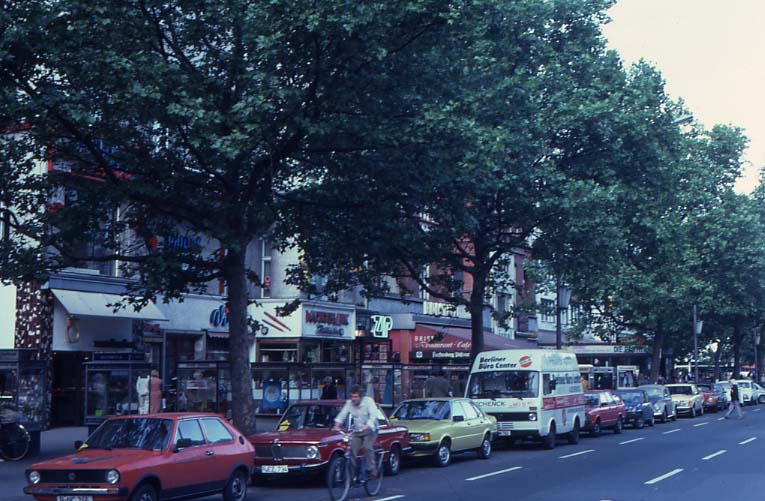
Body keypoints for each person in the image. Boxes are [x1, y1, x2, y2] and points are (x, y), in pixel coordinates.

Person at [332, 385, 379, 479]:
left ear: (361, 397)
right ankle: (351, 476)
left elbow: (373, 415)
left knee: (366, 447)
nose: (353, 399)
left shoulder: (368, 401)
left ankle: (371, 468)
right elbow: (342, 415)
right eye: (352, 396)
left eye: (356, 397)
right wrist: (336, 425)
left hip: (371, 429)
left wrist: (368, 425)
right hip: (358, 430)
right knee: (351, 451)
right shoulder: (349, 403)